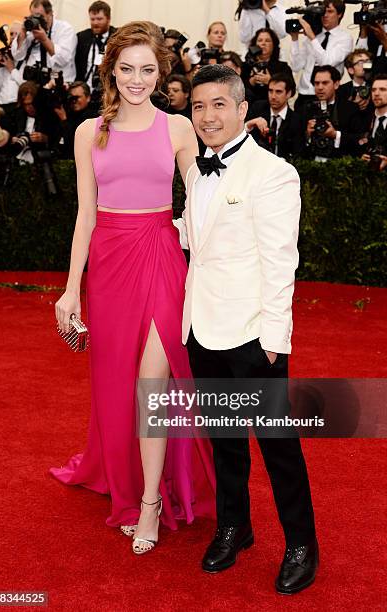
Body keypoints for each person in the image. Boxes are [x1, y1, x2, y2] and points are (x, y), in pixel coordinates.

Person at [52, 21, 215, 556]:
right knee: (118, 385)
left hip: (161, 255)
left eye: (147, 70)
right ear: (111, 71)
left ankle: (148, 502)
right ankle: (130, 482)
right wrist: (72, 289)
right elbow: (84, 217)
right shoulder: (88, 132)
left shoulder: (177, 129)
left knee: (154, 380)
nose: (137, 80)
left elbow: (202, 200)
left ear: (161, 72)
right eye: (127, 69)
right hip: (109, 265)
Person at [173, 64, 318, 593]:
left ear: (241, 110)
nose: (207, 116)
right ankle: (235, 526)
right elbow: (195, 239)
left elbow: (281, 262)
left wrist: (275, 339)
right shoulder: (194, 172)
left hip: (254, 335)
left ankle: (302, 542)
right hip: (202, 330)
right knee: (225, 440)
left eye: (217, 105)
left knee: (278, 445)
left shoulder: (274, 173)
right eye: (197, 107)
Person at [290, 0, 353, 110]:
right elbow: (296, 66)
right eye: (323, 12)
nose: (325, 15)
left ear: (340, 14)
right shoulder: (314, 37)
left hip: (327, 96)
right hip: (304, 94)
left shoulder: (345, 38)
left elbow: (327, 63)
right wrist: (294, 39)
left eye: (330, 11)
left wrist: (312, 37)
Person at [302, 65, 365, 160]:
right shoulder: (306, 108)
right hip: (310, 164)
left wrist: (335, 135)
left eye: (325, 83)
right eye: (316, 83)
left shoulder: (350, 108)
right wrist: (308, 134)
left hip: (340, 165)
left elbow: (358, 139)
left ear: (336, 84)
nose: (320, 87)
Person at [11, 0, 77, 84]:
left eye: (40, 16)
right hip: (34, 84)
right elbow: (17, 55)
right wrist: (23, 32)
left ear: (50, 13)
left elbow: (63, 59)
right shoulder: (31, 31)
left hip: (57, 84)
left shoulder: (65, 29)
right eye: (33, 16)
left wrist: (44, 40)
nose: (36, 20)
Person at [246, 72, 304, 159]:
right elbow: (239, 136)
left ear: (288, 94)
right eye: (270, 91)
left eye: (278, 92)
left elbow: (298, 153)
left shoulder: (296, 120)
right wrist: (251, 123)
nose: (273, 96)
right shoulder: (257, 108)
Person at [75, 1, 116, 90]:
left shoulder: (117, 36)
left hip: (108, 89)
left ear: (108, 19)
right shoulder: (82, 37)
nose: (95, 23)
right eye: (92, 19)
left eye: (99, 19)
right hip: (85, 89)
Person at [245, 28, 292, 104]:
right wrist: (251, 82)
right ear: (254, 45)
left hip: (274, 107)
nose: (263, 43)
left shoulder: (283, 67)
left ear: (274, 45)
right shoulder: (246, 66)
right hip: (251, 108)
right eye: (260, 40)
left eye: (267, 41)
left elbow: (292, 91)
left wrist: (271, 81)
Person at [54, 81, 97, 159]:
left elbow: (75, 143)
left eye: (77, 97)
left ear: (88, 98)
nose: (74, 101)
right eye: (71, 97)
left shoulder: (93, 118)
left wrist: (64, 120)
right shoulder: (68, 113)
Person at [360, 74, 387, 170]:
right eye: (373, 90)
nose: (376, 93)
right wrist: (360, 160)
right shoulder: (363, 119)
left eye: (382, 89)